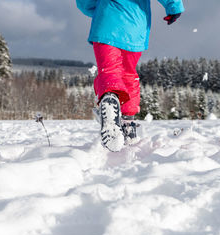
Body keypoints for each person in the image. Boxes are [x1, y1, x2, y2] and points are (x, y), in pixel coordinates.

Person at [76, 0, 185, 152]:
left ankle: (109, 100)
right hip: (134, 27)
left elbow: (85, 3)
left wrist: (98, 8)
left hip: (107, 22)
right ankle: (128, 124)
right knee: (128, 74)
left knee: (109, 70)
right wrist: (174, 7)